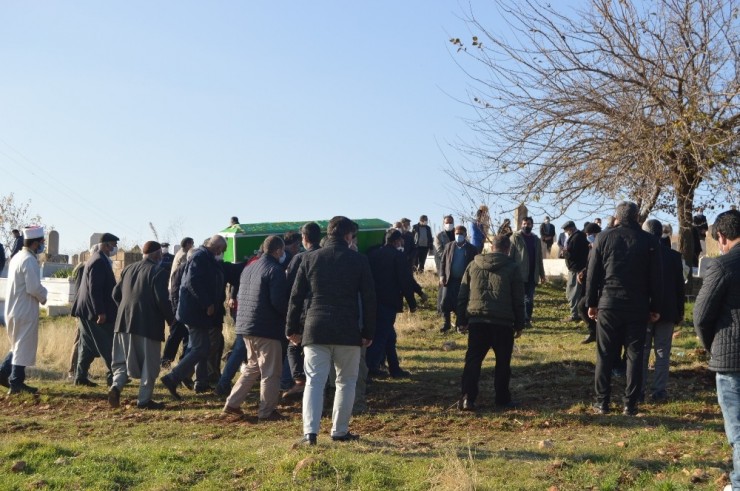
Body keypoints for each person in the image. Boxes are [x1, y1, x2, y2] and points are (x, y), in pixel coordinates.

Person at [286, 216, 376, 445]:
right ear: (348, 236)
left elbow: (296, 297)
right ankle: (339, 430)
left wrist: (292, 328)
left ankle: (310, 433)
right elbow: (369, 299)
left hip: (316, 328)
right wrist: (368, 332)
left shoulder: (310, 258)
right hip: (347, 329)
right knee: (345, 382)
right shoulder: (359, 260)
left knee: (314, 381)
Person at [586, 201, 662, 416]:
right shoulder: (648, 240)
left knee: (605, 354)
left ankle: (602, 402)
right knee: (635, 355)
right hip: (637, 305)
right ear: (638, 218)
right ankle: (630, 403)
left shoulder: (603, 237)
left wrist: (591, 303)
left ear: (617, 217)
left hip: (609, 303)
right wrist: (655, 306)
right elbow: (656, 277)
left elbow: (593, 275)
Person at [693, 210, 740, 491]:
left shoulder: (722, 266)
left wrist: (712, 345)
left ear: (721, 237)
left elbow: (701, 314)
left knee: (737, 430)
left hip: (732, 358)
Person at [223, 236, 289, 421]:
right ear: (277, 251)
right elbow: (278, 301)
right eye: (282, 251)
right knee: (270, 371)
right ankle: (267, 411)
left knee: (252, 367)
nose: (283, 254)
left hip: (246, 326)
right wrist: (289, 316)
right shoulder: (275, 270)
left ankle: (232, 403)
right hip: (266, 327)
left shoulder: (249, 268)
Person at [457, 234, 525, 410]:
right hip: (502, 322)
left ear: (491, 246)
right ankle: (502, 398)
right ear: (507, 249)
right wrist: (519, 323)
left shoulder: (473, 265)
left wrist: (461, 319)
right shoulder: (512, 267)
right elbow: (518, 298)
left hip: (477, 321)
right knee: (503, 363)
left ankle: (467, 398)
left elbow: (463, 294)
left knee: (473, 361)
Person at [109, 241, 175, 409]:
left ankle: (116, 386)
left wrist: (127, 309)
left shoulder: (128, 269)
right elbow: (162, 300)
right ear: (156, 255)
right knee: (150, 364)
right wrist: (171, 320)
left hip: (122, 322)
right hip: (147, 325)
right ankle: (144, 400)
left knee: (122, 361)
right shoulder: (158, 271)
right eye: (160, 254)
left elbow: (115, 294)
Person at [160, 235, 227, 399]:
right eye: (222, 250)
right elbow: (192, 282)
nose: (222, 253)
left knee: (202, 347)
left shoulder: (205, 257)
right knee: (199, 348)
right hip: (194, 312)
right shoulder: (200, 257)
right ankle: (172, 378)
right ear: (217, 248)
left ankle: (201, 382)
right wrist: (207, 303)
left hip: (197, 312)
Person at [641, 219, 685, 403]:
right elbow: (679, 288)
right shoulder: (673, 256)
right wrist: (679, 312)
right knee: (662, 352)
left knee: (641, 353)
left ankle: (639, 389)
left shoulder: (640, 254)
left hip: (643, 310)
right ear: (662, 234)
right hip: (667, 310)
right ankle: (659, 391)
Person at [0, 226, 48, 394]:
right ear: (35, 243)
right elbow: (34, 287)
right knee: (22, 347)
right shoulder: (28, 260)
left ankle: (3, 373)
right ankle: (16, 382)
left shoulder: (17, 257)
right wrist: (44, 296)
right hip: (24, 309)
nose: (43, 245)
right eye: (42, 241)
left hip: (13, 308)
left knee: (17, 345)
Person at [71, 232, 120, 388]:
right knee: (107, 343)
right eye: (113, 245)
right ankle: (113, 376)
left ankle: (80, 376)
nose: (114, 249)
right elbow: (95, 289)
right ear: (105, 245)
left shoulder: (98, 259)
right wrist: (100, 312)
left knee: (86, 345)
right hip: (94, 312)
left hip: (86, 311)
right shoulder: (99, 261)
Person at [366, 229, 417, 379]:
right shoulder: (398, 256)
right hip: (389, 301)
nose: (402, 243)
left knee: (389, 336)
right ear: (396, 241)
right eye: (401, 240)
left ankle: (394, 368)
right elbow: (405, 281)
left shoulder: (372, 255)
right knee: (382, 336)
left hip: (374, 301)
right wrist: (412, 303)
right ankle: (370, 368)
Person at [281, 222, 322, 399]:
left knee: (293, 347)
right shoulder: (327, 255)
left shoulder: (300, 258)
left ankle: (299, 382)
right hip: (323, 310)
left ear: (304, 238)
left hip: (305, 310)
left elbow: (291, 288)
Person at [439, 225, 478, 333]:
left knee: (460, 303)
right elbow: (443, 261)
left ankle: (459, 324)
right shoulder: (449, 246)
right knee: (445, 302)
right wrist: (442, 275)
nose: (458, 236)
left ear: (465, 235)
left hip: (464, 281)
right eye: (457, 233)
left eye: (461, 234)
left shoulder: (472, 249)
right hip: (449, 279)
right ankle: (446, 323)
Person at [509, 217, 546, 327]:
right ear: (521, 224)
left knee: (529, 299)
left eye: (528, 224)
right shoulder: (515, 237)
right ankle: (518, 319)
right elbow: (510, 255)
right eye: (524, 223)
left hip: (532, 274)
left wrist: (542, 274)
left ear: (532, 225)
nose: (526, 225)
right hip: (519, 274)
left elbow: (539, 258)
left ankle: (527, 319)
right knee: (519, 298)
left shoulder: (536, 239)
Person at [576, 223, 602, 344]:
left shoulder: (601, 247)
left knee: (583, 306)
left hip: (599, 286)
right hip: (589, 284)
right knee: (582, 306)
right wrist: (583, 272)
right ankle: (594, 332)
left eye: (589, 235)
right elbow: (590, 265)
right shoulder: (591, 247)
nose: (588, 237)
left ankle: (597, 332)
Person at [561, 221, 589, 322]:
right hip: (578, 268)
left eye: (566, 230)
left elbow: (573, 253)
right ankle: (578, 313)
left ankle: (575, 314)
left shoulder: (576, 237)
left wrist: (565, 253)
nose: (566, 232)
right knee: (576, 292)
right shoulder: (580, 236)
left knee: (572, 292)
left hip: (576, 269)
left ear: (571, 229)